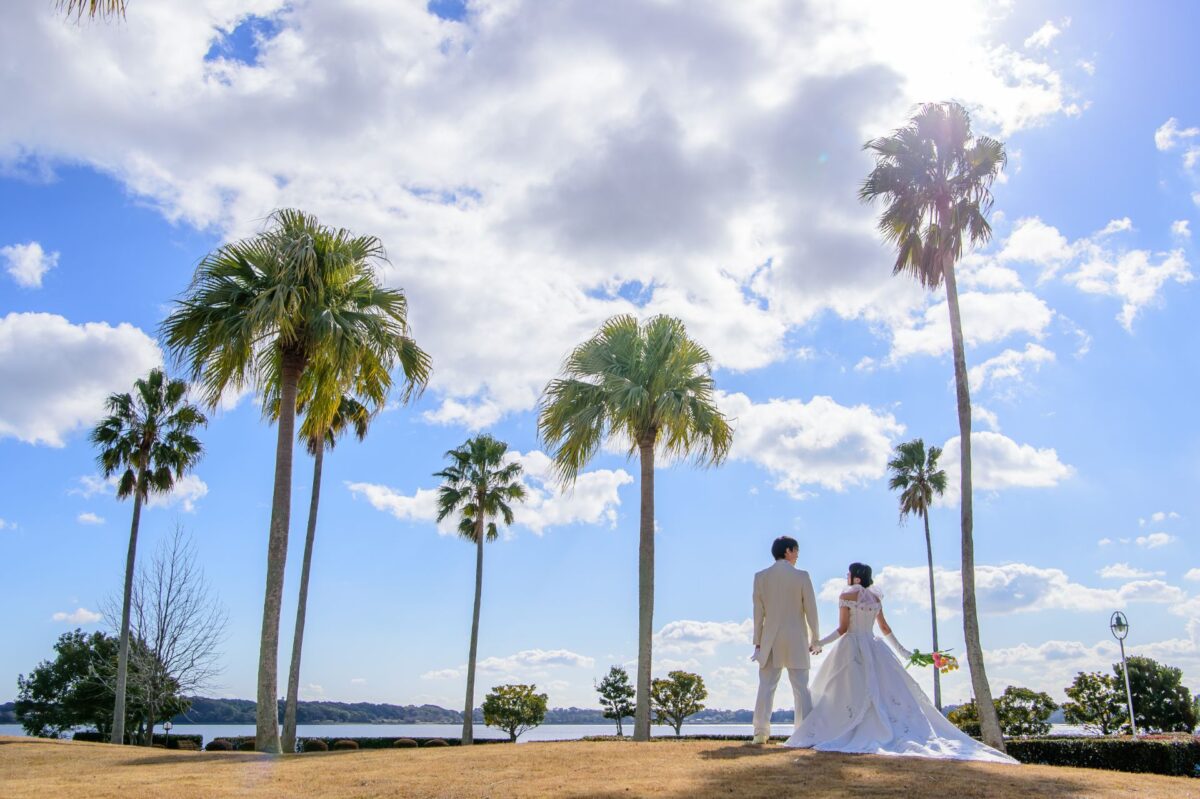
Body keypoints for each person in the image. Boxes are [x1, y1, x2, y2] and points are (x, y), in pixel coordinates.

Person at [783, 562, 1016, 763]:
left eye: (848, 574)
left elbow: (843, 629)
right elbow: (884, 628)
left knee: (843, 689)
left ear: (855, 577)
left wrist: (819, 644)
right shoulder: (875, 598)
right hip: (874, 646)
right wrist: (903, 652)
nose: (846, 578)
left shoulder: (846, 596)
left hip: (852, 646)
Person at [750, 536, 820, 745]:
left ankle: (760, 732)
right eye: (796, 551)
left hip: (770, 637)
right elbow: (811, 610)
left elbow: (758, 613)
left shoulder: (761, 577)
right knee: (801, 687)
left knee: (766, 686)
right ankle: (805, 732)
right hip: (796, 637)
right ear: (788, 551)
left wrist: (757, 641)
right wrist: (815, 638)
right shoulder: (802, 576)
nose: (797, 555)